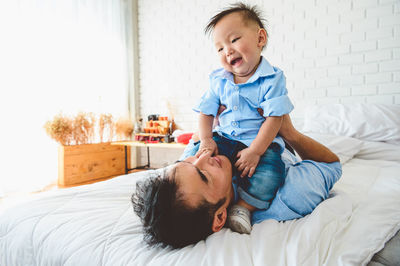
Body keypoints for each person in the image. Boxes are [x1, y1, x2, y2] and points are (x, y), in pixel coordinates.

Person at [132, 114, 342, 249]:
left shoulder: (197, 157)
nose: (203, 157)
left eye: (187, 162)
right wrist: (289, 132)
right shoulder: (289, 196)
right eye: (204, 176)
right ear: (220, 217)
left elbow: (197, 139)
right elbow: (332, 165)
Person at [189, 2, 295, 234]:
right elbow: (205, 112)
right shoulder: (218, 80)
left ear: (260, 39)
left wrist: (256, 151)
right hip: (225, 137)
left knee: (272, 171)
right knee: (195, 151)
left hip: (260, 143)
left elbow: (274, 119)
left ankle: (242, 207)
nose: (227, 50)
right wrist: (206, 139)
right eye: (219, 48)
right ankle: (181, 181)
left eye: (234, 39)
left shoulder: (272, 79)